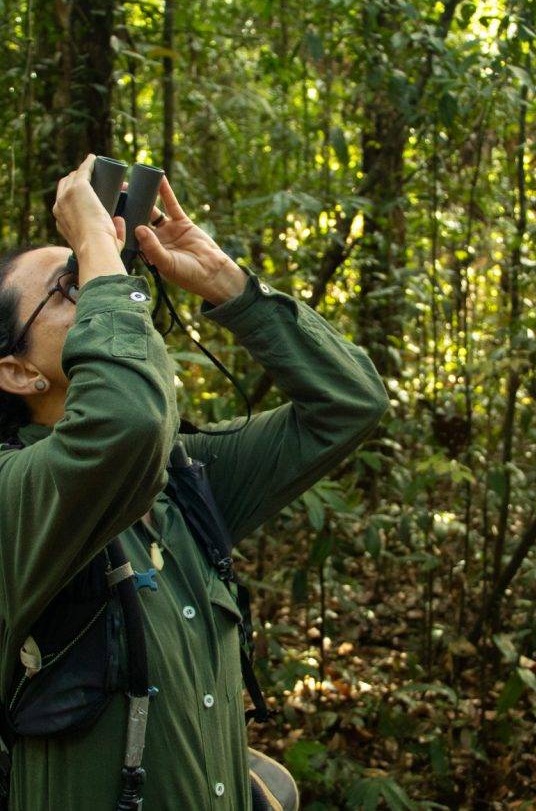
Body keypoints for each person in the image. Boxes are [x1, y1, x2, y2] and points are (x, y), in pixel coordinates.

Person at [0, 154, 389, 810]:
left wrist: (226, 284)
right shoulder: (16, 498)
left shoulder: (180, 481)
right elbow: (124, 423)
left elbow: (349, 403)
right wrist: (95, 247)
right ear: (16, 372)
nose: (100, 281)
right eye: (71, 285)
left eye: (97, 271)